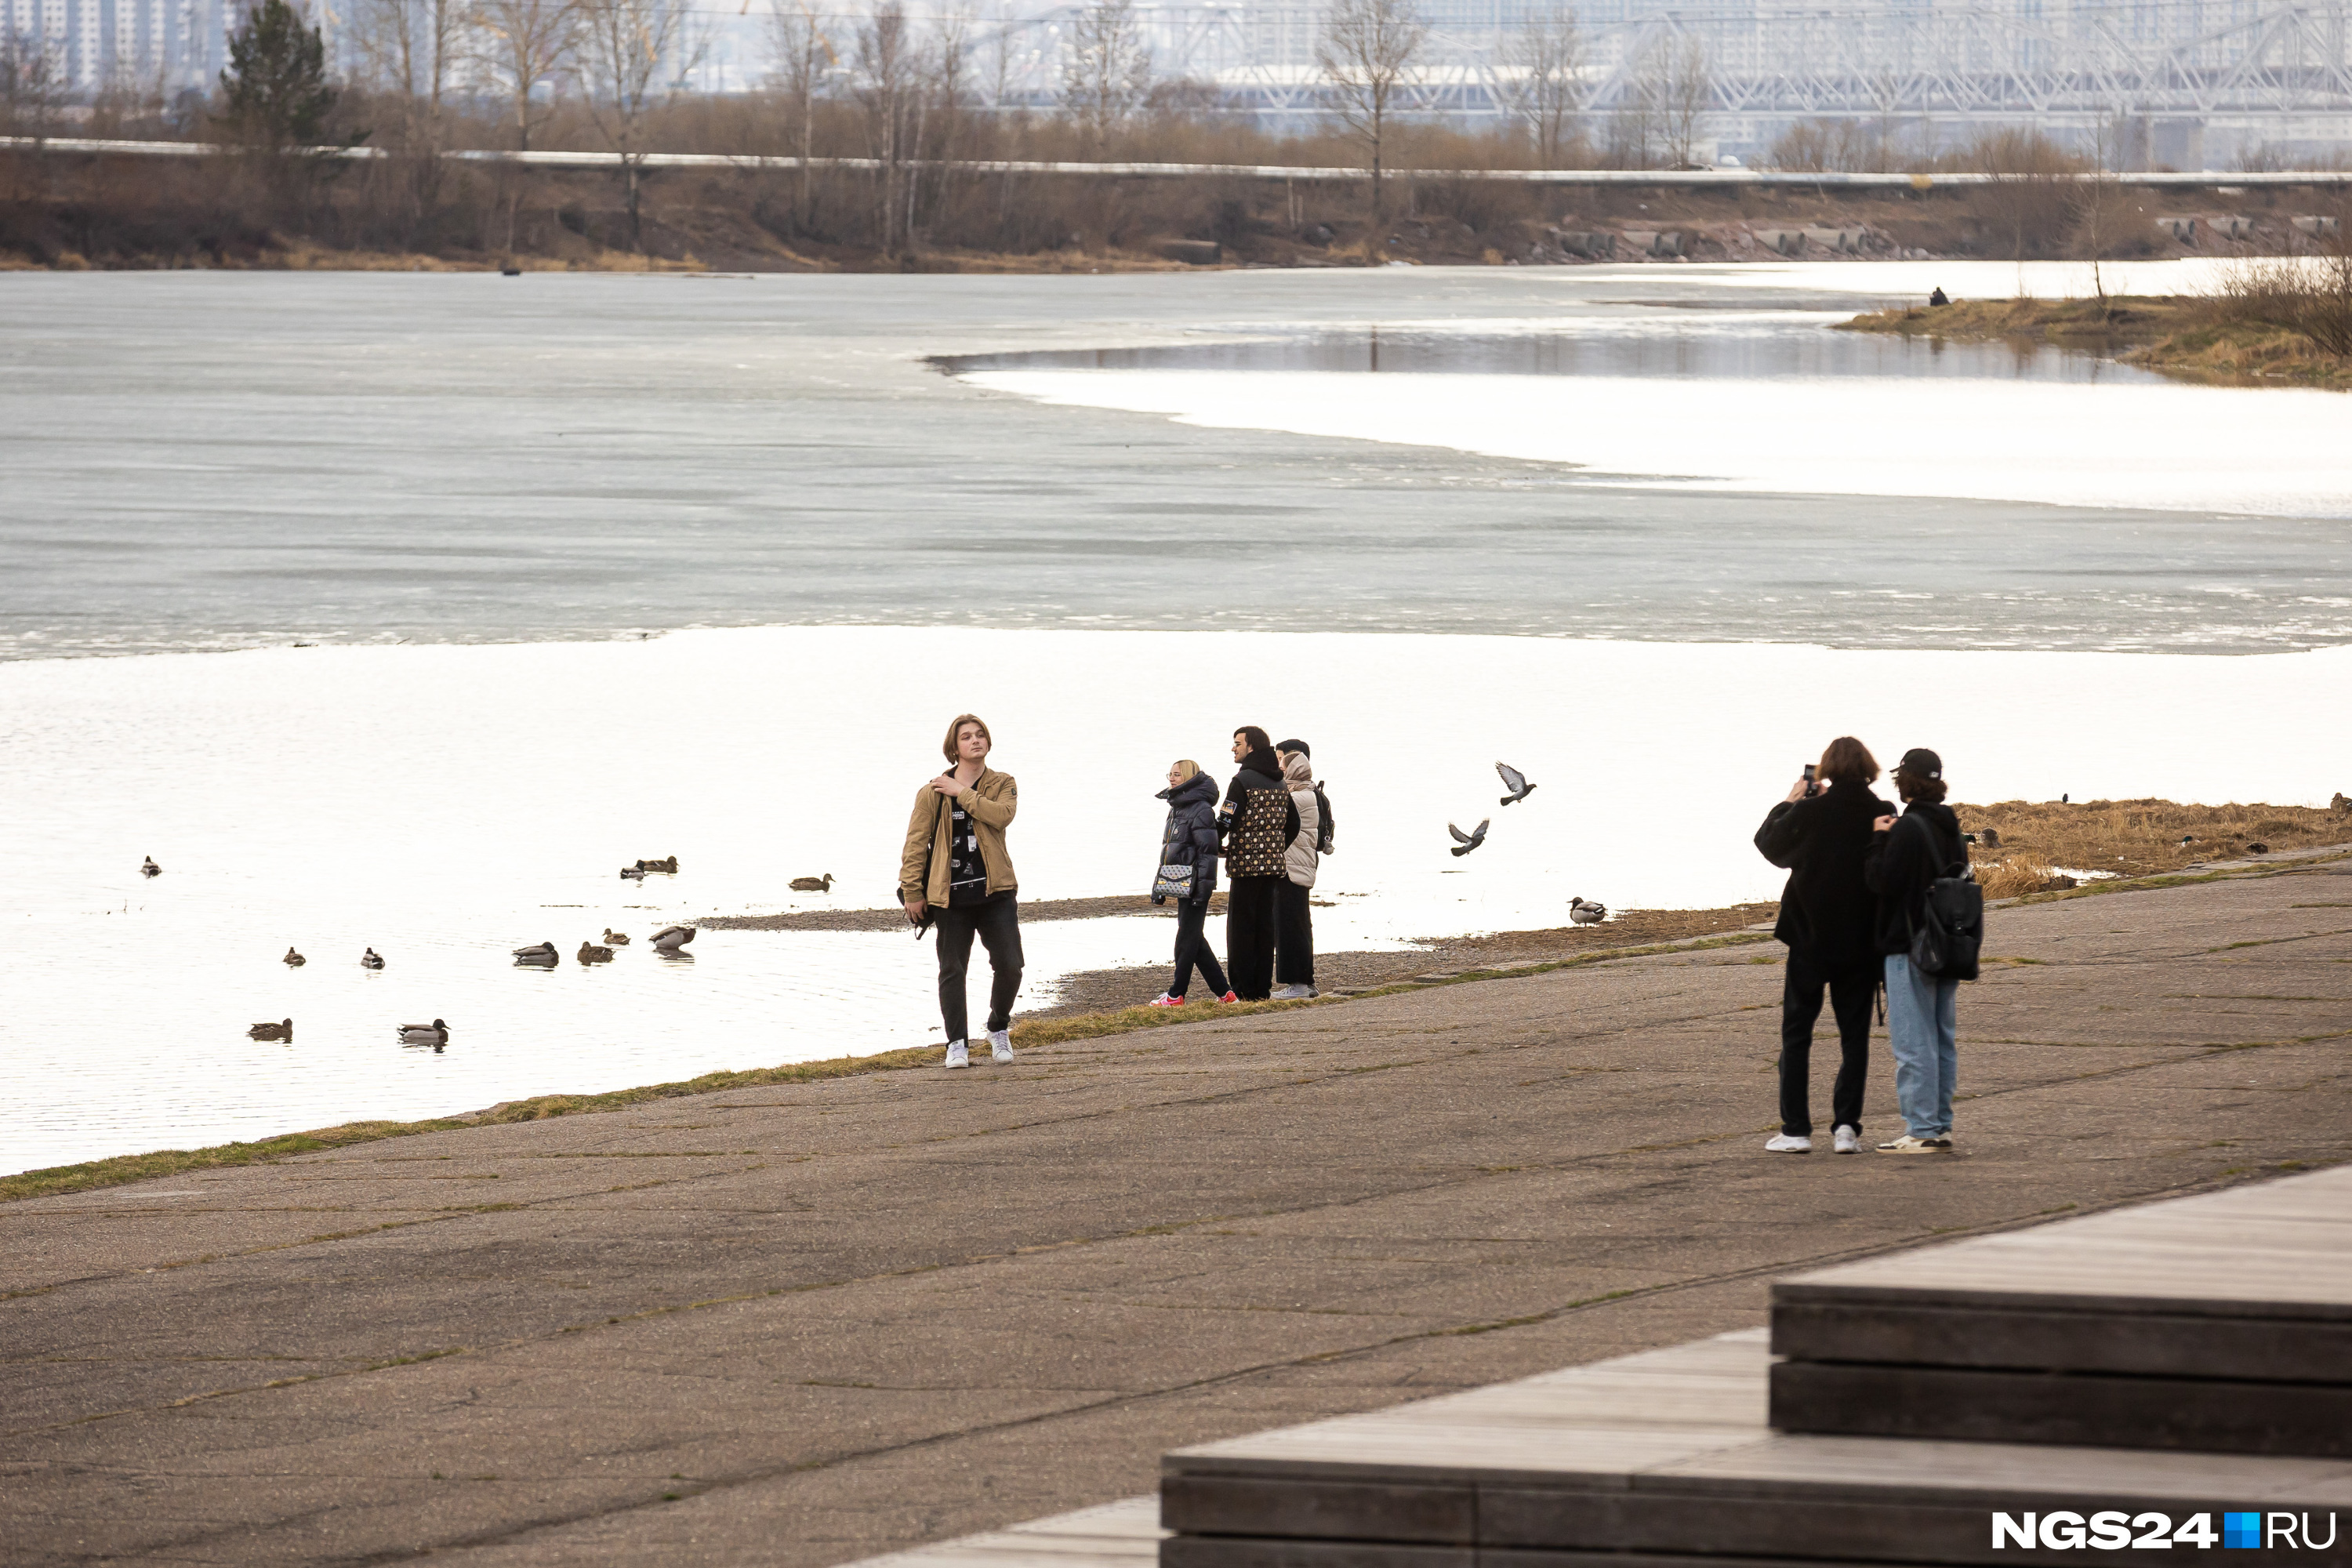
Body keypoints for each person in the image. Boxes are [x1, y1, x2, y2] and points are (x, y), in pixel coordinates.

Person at [1754, 738, 1895, 1155]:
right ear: (1868, 769)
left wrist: (1790, 801)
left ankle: (1796, 1129)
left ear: (1828, 770)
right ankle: (1847, 1128)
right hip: (1862, 940)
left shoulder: (1812, 810)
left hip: (1809, 937)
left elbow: (1770, 846)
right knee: (1855, 1036)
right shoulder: (1882, 811)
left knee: (1797, 1033)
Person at [899, 713, 1021, 1069]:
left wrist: (962, 793)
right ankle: (956, 1043)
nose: (975, 741)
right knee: (952, 970)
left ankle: (998, 1027)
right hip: (948, 897)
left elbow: (1001, 816)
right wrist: (911, 892)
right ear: (954, 747)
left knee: (1011, 966)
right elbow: (915, 844)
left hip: (996, 891)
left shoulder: (1002, 782)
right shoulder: (931, 792)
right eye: (966, 737)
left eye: (980, 735)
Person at [1864, 747, 1967, 1152]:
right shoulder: (1951, 828)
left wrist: (1877, 839)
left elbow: (1882, 882)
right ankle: (1939, 1124)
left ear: (1905, 781)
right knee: (1941, 1036)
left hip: (1910, 942)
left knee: (1912, 1040)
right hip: (1947, 942)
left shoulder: (1907, 829)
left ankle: (1922, 1129)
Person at [1218, 725, 1296, 1001]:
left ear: (1251, 746)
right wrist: (1275, 848)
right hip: (1273, 867)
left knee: (1240, 928)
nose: (1233, 748)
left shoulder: (1242, 781)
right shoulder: (1280, 782)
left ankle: (1242, 988)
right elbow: (1293, 824)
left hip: (1245, 868)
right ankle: (1262, 989)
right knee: (1265, 927)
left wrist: (1216, 843)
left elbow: (1227, 819)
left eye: (1237, 743)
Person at [1151, 760, 1236, 1007]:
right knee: (1194, 940)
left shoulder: (1200, 810)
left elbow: (1207, 853)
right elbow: (1171, 850)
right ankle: (1225, 993)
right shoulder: (1178, 807)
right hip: (1179, 879)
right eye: (1170, 774)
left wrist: (1202, 890)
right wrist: (1159, 887)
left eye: (1177, 774)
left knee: (1186, 941)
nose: (1171, 778)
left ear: (1189, 777)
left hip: (1196, 883)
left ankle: (1177, 994)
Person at [1271, 739, 1323, 1000]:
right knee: (1295, 922)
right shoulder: (1307, 792)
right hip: (1299, 865)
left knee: (1292, 924)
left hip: (1293, 867)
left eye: (1282, 763)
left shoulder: (1297, 795)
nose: (1278, 767)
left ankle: (1301, 984)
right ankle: (1301, 983)